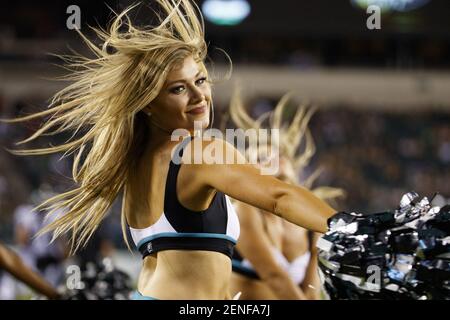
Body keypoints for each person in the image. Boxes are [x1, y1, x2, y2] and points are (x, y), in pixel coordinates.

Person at [1, 0, 337, 300]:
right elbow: (280, 197)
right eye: (178, 88)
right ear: (148, 104)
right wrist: (349, 226)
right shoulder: (197, 151)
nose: (199, 96)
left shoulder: (136, 161)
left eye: (201, 80)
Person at [227, 92, 345, 299]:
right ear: (251, 171)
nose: (274, 158)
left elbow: (311, 289)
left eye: (280, 154)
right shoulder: (243, 210)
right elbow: (274, 276)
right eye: (263, 158)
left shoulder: (312, 222)